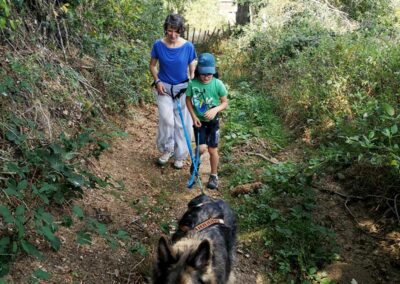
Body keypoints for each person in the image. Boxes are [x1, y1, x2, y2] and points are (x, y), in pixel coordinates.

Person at [149, 14, 197, 169]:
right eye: (170, 30)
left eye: (176, 31)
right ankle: (167, 149)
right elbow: (152, 66)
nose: (173, 35)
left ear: (181, 30)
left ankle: (180, 155)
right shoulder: (158, 45)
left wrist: (192, 79)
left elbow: (192, 63)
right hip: (163, 87)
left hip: (182, 88)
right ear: (166, 29)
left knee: (182, 124)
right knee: (167, 120)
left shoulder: (188, 46)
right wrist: (157, 81)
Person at [185, 53, 228, 189]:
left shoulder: (218, 84)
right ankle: (196, 165)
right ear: (198, 71)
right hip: (199, 122)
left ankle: (214, 175)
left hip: (213, 122)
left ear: (213, 71)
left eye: (209, 73)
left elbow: (224, 102)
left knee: (212, 150)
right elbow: (188, 100)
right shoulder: (193, 84)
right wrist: (194, 116)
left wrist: (215, 110)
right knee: (201, 148)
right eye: (203, 74)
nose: (206, 76)